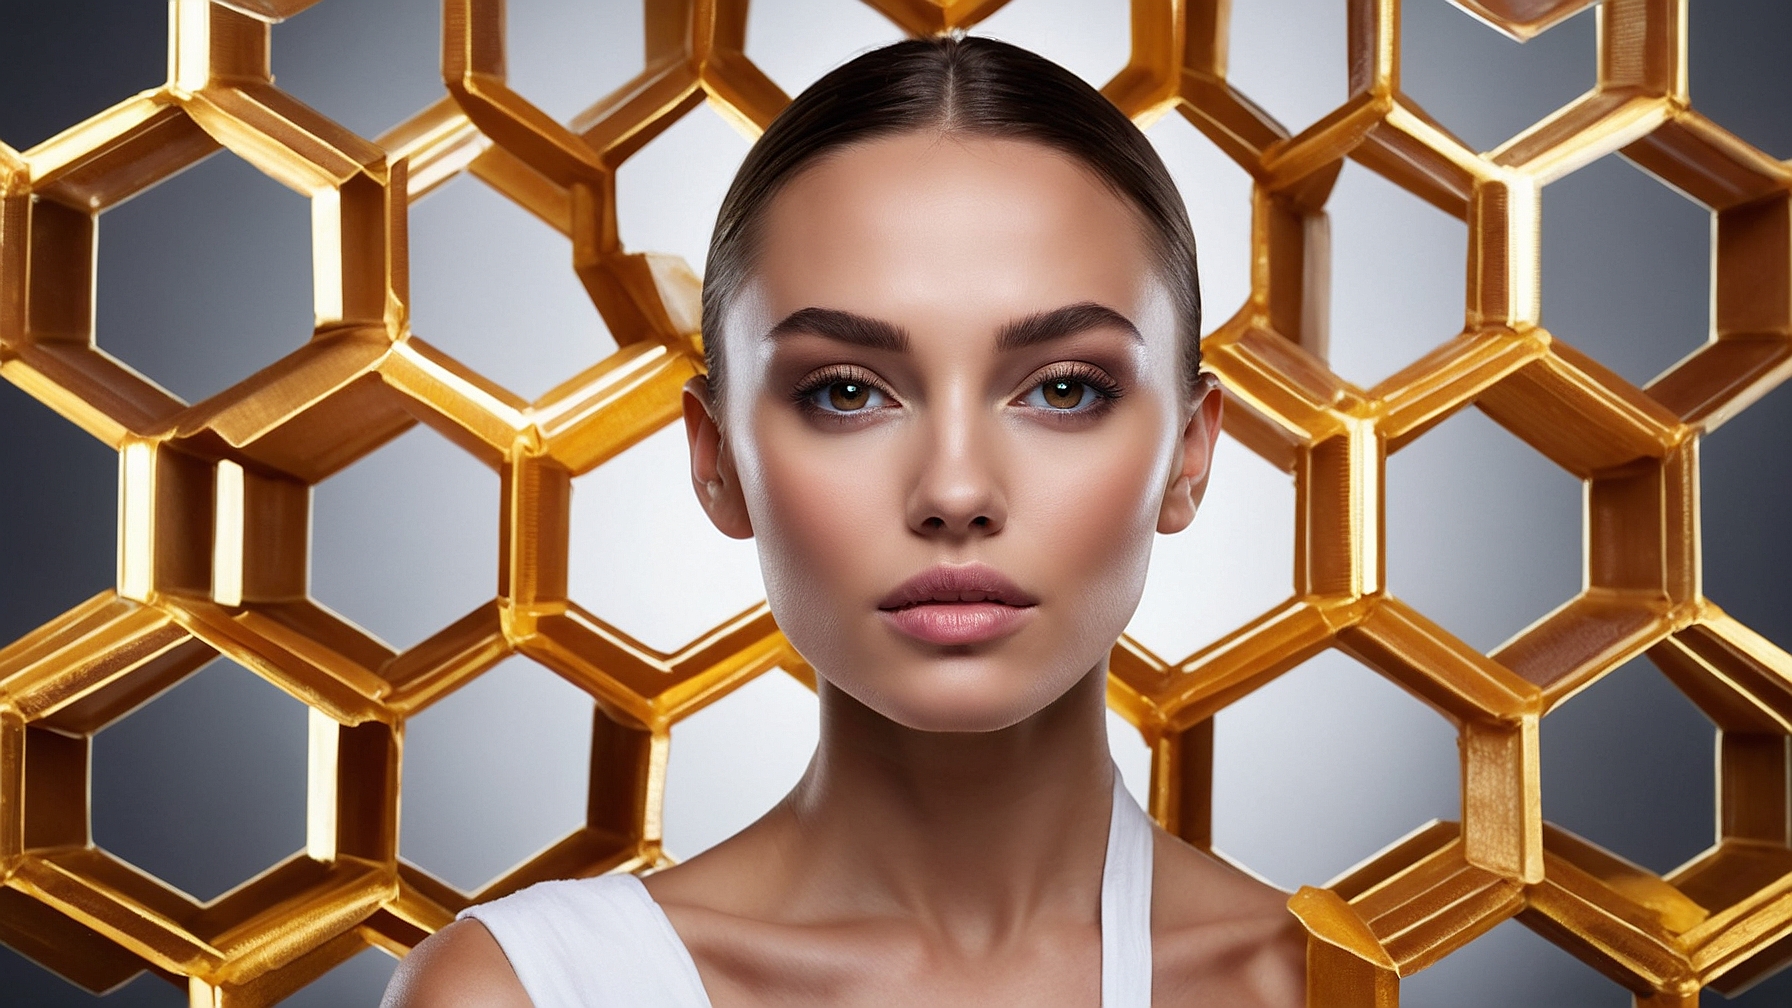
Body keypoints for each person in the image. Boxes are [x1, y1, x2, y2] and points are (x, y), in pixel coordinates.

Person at [383, 34, 1305, 1008]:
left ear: (1190, 454)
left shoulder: (1316, 985)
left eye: (1064, 388)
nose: (955, 491)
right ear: (717, 458)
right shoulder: (523, 991)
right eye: (847, 392)